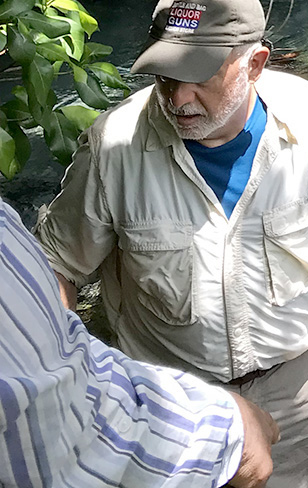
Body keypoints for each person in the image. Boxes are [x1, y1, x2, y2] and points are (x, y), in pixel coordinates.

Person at [35, 0, 308, 487]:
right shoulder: (114, 146)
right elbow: (58, 267)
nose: (178, 97)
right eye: (165, 77)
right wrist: (63, 383)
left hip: (293, 389)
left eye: (199, 76)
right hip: (170, 397)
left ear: (255, 64)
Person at [1, 197, 280, 487]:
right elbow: (58, 263)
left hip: (290, 391)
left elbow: (49, 343)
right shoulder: (111, 159)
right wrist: (227, 433)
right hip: (160, 395)